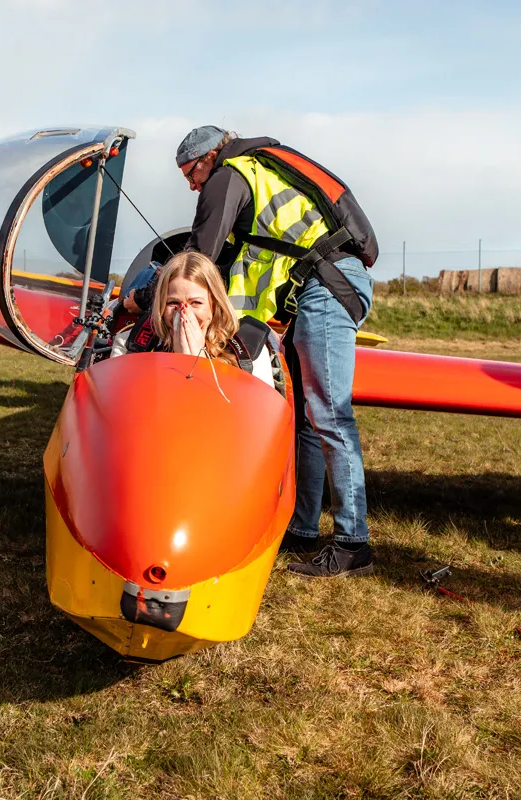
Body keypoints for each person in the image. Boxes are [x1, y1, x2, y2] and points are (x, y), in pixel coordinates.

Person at [174, 125, 377, 578]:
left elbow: (199, 258)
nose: (192, 185)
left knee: (330, 414)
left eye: (192, 173)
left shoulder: (229, 175)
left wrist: (154, 290)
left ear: (212, 156)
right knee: (308, 418)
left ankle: (352, 544)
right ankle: (302, 529)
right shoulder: (257, 172)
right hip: (323, 284)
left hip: (327, 286)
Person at [112, 250, 282, 390]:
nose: (184, 313)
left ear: (214, 304)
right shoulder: (130, 344)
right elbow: (117, 402)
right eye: (173, 303)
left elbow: (259, 416)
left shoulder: (249, 351)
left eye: (196, 303)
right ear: (161, 306)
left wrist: (198, 364)